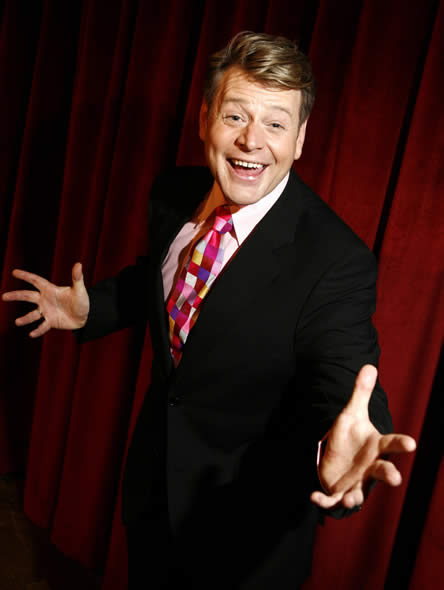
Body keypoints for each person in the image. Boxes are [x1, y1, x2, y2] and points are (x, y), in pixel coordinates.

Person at [2, 32, 415, 589]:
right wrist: (93, 308)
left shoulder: (333, 260)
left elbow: (342, 370)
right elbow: (166, 278)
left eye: (275, 122)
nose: (252, 140)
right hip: (152, 497)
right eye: (236, 115)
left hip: (244, 543)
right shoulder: (174, 193)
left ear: (300, 139)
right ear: (204, 120)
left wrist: (346, 443)